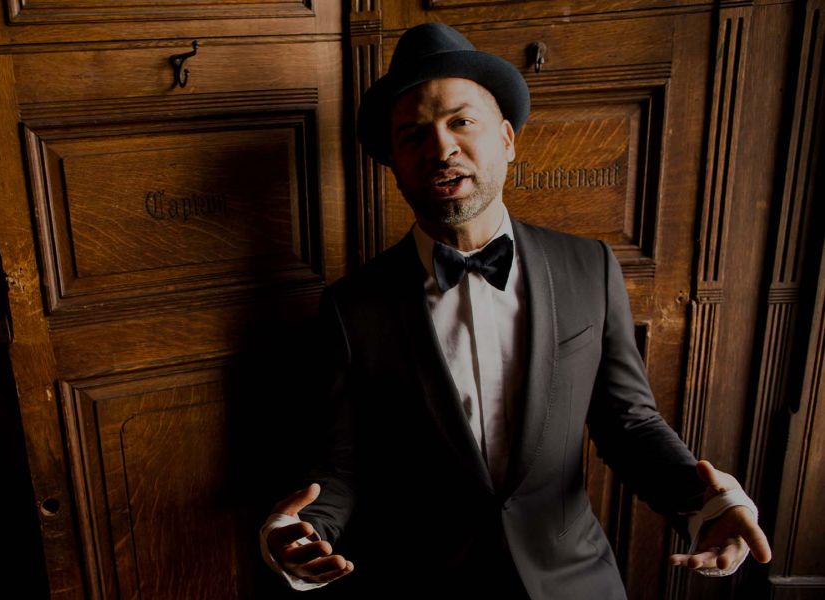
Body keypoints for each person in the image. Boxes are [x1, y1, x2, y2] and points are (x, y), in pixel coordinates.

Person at [258, 22, 771, 598]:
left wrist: (707, 506)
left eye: (461, 121)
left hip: (573, 579)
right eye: (413, 134)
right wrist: (299, 530)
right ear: (394, 164)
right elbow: (340, 465)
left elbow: (629, 424)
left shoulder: (590, 267)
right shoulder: (350, 307)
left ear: (506, 138)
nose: (441, 148)